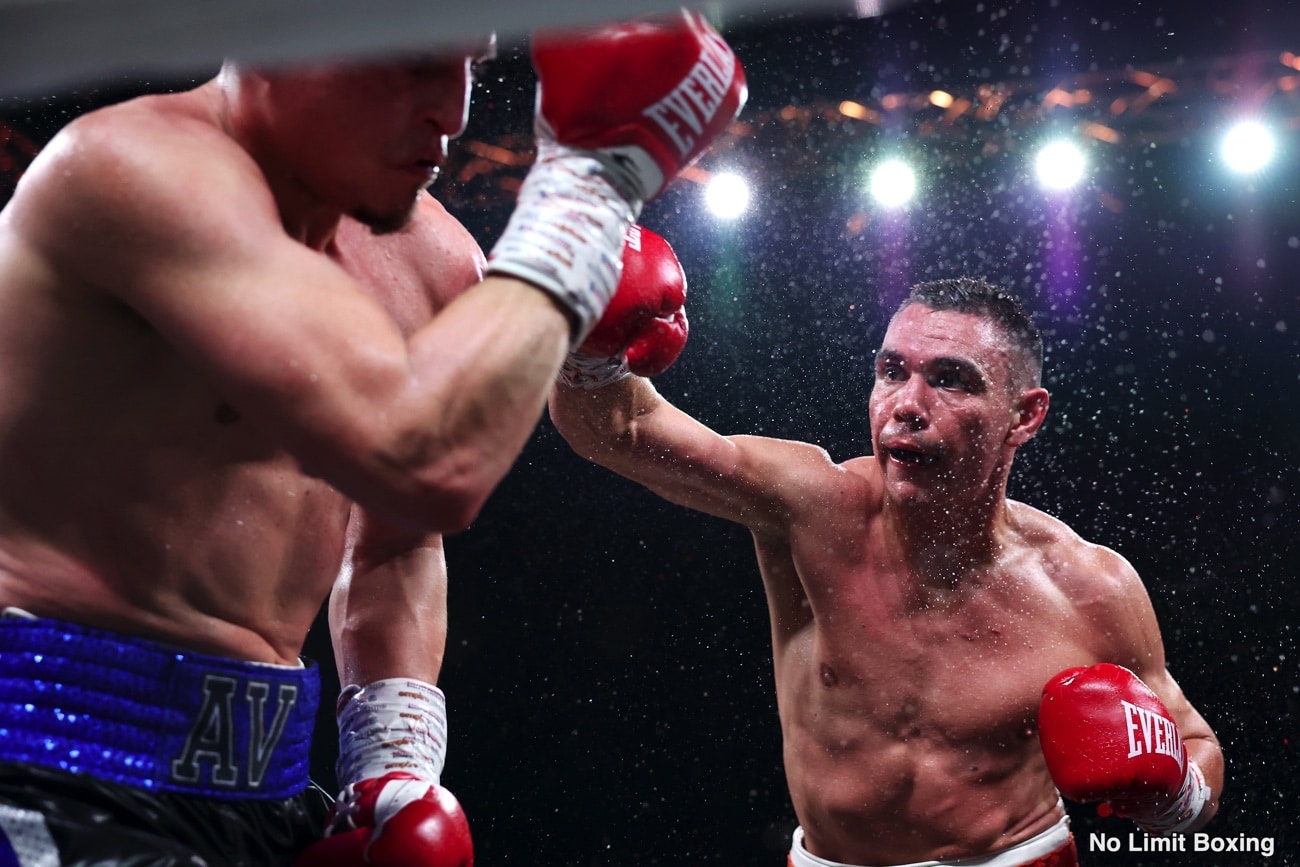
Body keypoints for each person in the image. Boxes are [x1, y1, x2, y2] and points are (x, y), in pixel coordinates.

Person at [0, 8, 745, 865]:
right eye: (414, 60)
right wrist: (591, 189)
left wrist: (390, 763)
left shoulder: (436, 262)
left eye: (468, 66)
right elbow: (424, 461)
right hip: (52, 761)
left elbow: (397, 538)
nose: (452, 111)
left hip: (270, 792)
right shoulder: (137, 170)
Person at [549, 274, 1224, 867]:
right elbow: (618, 429)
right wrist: (589, 346)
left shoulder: (1086, 586)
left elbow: (1195, 741)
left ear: (1024, 415)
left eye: (951, 379)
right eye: (892, 371)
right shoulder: (809, 507)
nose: (907, 403)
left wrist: (1177, 799)